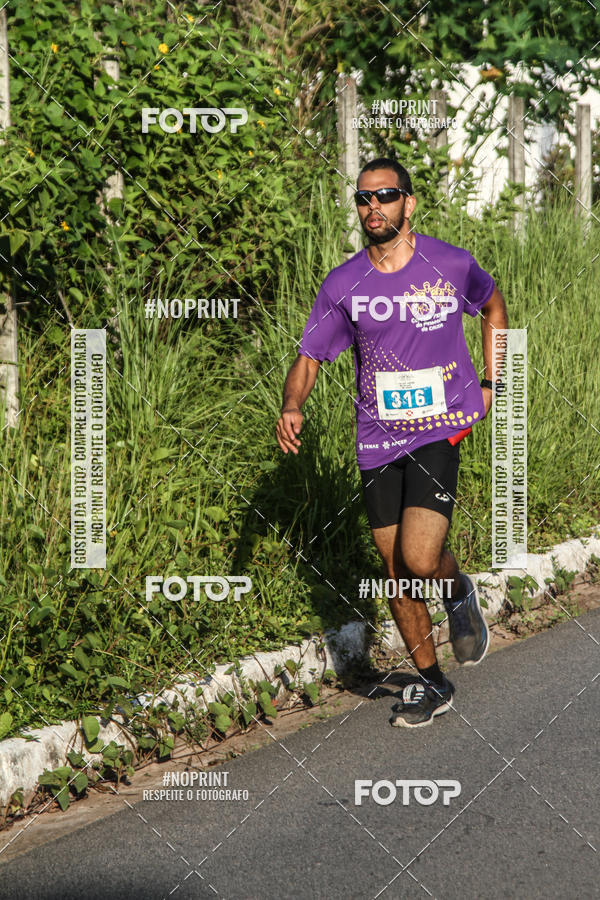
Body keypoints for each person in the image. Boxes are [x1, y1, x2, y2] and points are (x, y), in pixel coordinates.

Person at [276, 157, 508, 727]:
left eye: (385, 195)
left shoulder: (449, 263)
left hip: (438, 427)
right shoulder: (344, 283)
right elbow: (310, 355)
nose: (372, 206)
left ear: (409, 202)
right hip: (377, 440)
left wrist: (493, 382)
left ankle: (454, 587)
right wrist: (292, 404)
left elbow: (493, 307)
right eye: (363, 198)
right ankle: (432, 682)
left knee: (420, 558)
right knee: (395, 571)